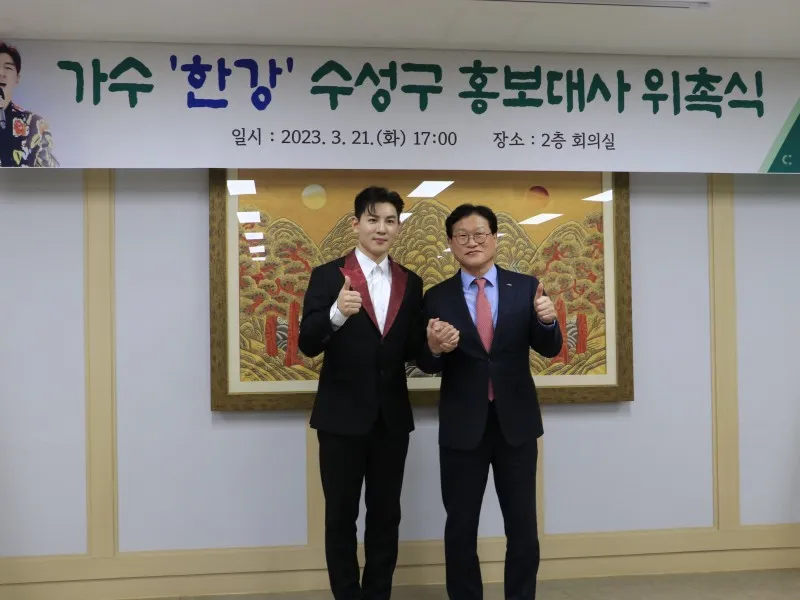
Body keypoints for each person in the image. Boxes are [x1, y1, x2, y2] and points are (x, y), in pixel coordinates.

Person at [418, 203, 564, 600]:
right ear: (451, 243)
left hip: (516, 424)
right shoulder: (436, 297)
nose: (472, 242)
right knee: (461, 526)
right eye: (462, 236)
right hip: (462, 427)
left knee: (522, 526)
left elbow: (549, 348)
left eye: (480, 234)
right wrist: (434, 348)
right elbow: (426, 362)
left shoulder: (527, 288)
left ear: (495, 238)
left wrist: (548, 320)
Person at [299, 186, 432, 600]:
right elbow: (307, 343)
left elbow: (413, 349)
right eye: (373, 220)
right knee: (341, 518)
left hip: (391, 421)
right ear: (356, 224)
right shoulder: (328, 276)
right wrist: (336, 313)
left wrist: (435, 345)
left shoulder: (411, 282)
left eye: (390, 221)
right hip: (340, 419)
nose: (381, 228)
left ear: (398, 227)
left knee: (386, 517)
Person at [0, 42, 59, 168]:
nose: (1, 73)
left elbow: (51, 174)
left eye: (8, 68)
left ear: (17, 78)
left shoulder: (35, 124)